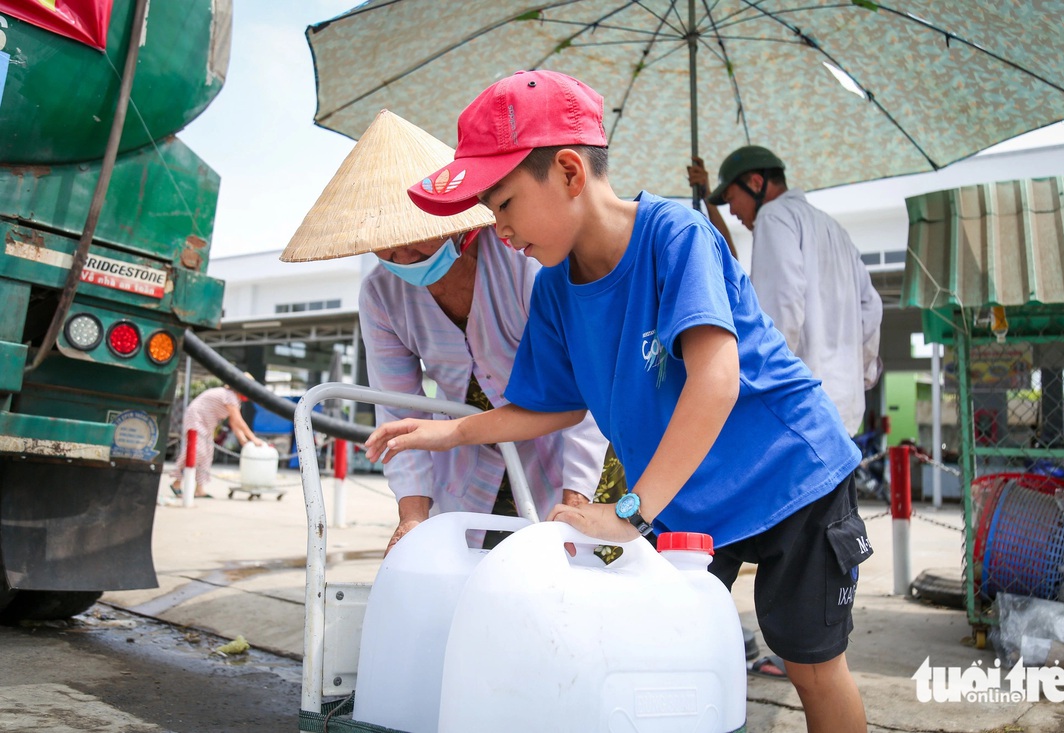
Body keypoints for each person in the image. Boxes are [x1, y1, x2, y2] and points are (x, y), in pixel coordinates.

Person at [367, 71, 872, 732]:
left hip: (790, 475)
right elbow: (553, 405)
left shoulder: (674, 236)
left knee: (809, 662)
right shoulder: (553, 289)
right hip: (690, 496)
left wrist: (631, 509)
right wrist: (450, 433)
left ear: (570, 171)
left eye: (505, 205)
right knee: (663, 648)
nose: (501, 230)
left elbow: (715, 381)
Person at [283, 109, 622, 556]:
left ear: (454, 223)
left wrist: (575, 501)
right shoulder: (381, 296)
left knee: (582, 581)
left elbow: (588, 395)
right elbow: (397, 413)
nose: (402, 255)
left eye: (417, 238)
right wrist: (412, 516)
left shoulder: (525, 261)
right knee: (475, 581)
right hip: (470, 465)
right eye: (387, 243)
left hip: (573, 452)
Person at [695, 147, 883, 436]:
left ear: (756, 183)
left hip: (800, 408)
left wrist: (762, 389)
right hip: (845, 409)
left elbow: (780, 312)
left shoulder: (773, 217)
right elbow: (871, 310)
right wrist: (861, 374)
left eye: (732, 199)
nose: (732, 211)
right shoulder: (834, 229)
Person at [171, 383, 263, 498]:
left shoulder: (235, 400)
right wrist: (253, 438)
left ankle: (199, 489)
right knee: (197, 451)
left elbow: (234, 423)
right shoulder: (230, 396)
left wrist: (243, 440)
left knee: (207, 455)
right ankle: (177, 483)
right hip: (196, 420)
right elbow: (238, 420)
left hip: (208, 425)